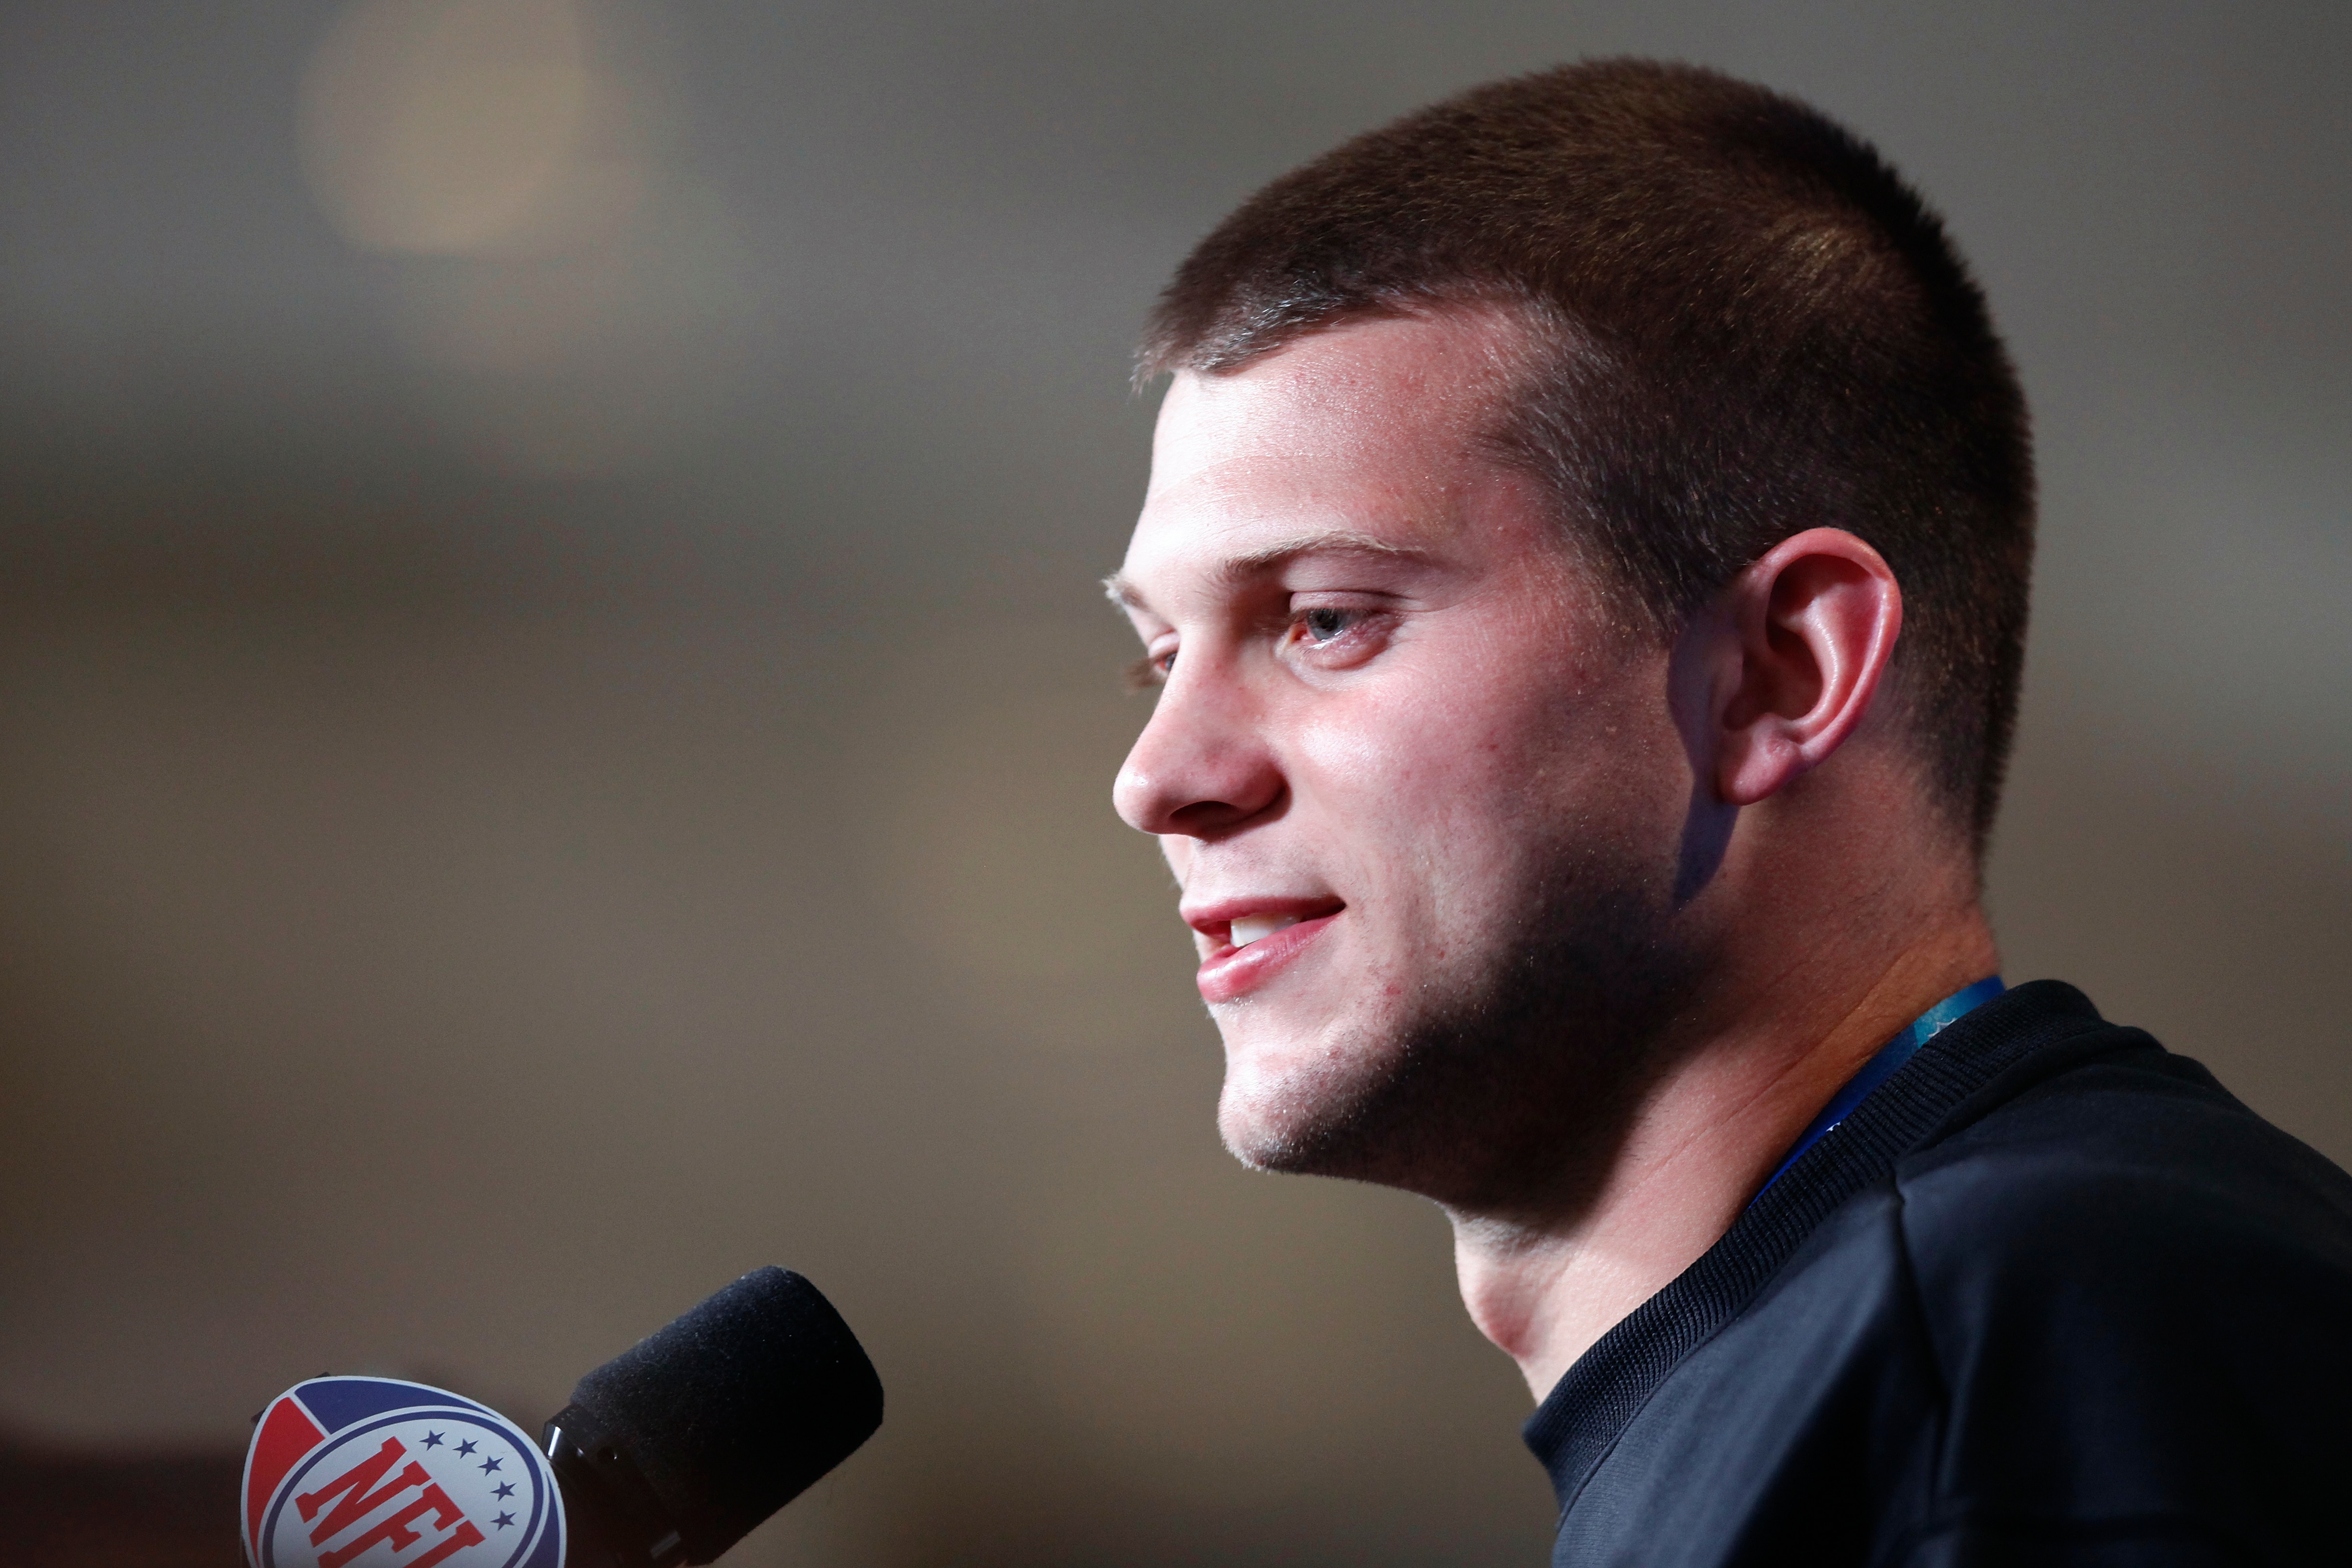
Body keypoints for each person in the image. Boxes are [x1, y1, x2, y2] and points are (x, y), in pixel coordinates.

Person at [1104, 59, 2352, 1565]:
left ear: (1778, 674)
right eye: (1159, 656)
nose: (1158, 778)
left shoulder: (2023, 1342)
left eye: (1324, 619)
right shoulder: (1894, 1365)